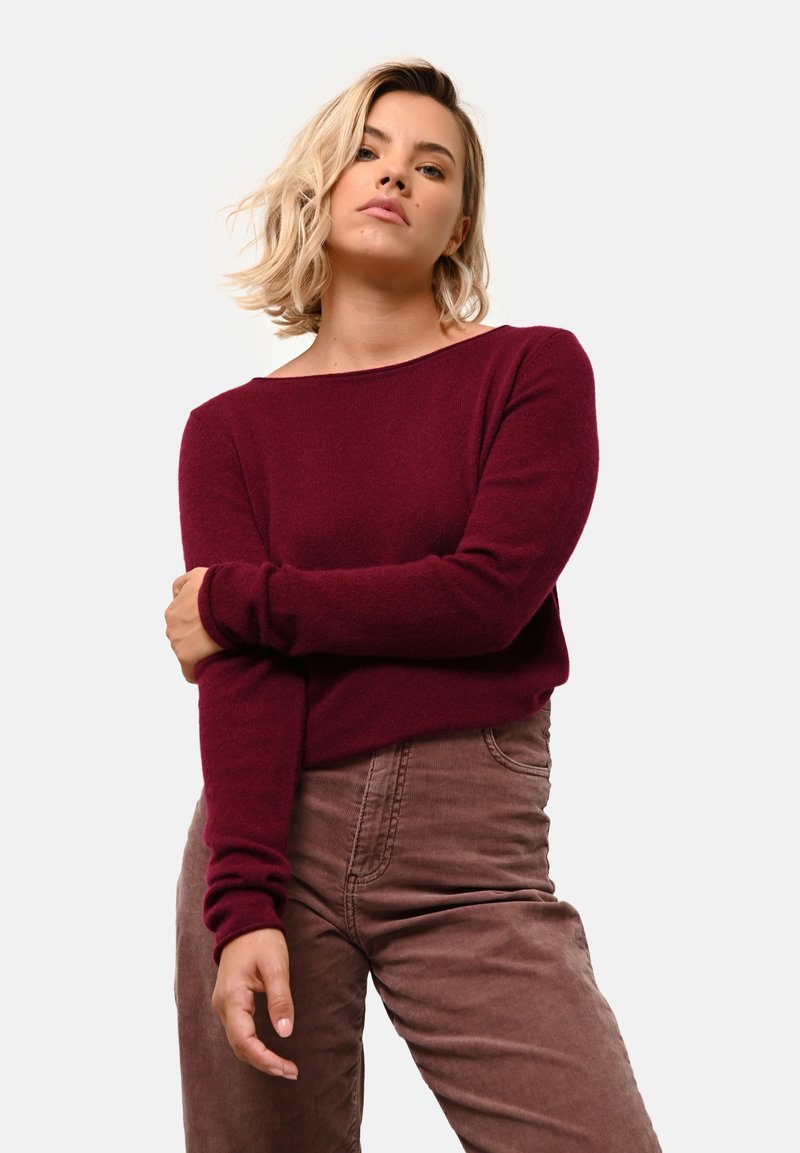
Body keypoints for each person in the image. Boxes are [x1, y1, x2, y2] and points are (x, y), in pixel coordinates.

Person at [164, 59, 662, 1153]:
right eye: (368, 150)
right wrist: (240, 904)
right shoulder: (227, 432)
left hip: (468, 852)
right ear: (323, 185)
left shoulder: (530, 372)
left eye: (430, 167)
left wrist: (246, 600)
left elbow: (485, 598)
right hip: (269, 832)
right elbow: (243, 685)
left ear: (457, 224)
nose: (395, 175)